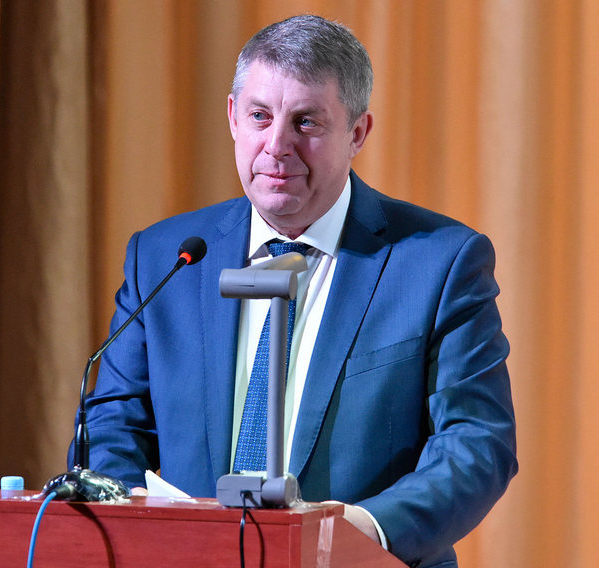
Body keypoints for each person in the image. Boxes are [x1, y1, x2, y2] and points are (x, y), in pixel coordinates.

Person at [77, 15, 516, 568]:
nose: (277, 145)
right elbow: (113, 424)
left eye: (306, 122)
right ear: (232, 117)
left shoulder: (439, 263)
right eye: (260, 116)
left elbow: (477, 444)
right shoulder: (166, 257)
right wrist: (141, 530)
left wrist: (361, 532)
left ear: (357, 133)